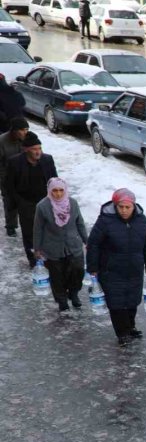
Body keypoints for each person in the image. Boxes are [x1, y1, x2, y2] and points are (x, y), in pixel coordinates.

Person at [86, 188, 146, 345]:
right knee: (116, 304)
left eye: (127, 207)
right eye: (121, 207)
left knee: (132, 302)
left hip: (134, 271)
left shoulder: (141, 221)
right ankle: (122, 333)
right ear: (115, 206)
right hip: (111, 271)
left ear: (133, 206)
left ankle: (130, 327)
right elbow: (94, 245)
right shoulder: (105, 221)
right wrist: (92, 268)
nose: (124, 211)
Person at [33, 178, 88, 312]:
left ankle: (74, 293)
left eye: (61, 190)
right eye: (55, 191)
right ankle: (62, 299)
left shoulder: (73, 203)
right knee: (57, 275)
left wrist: (87, 240)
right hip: (52, 247)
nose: (58, 194)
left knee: (78, 271)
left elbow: (79, 222)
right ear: (50, 191)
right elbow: (38, 228)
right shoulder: (42, 206)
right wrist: (37, 248)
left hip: (73, 245)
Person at [5, 132, 58, 267]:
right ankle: (34, 260)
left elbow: (55, 181)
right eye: (34, 149)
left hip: (45, 201)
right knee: (29, 233)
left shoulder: (47, 160)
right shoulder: (15, 162)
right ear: (26, 149)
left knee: (48, 230)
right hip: (26, 202)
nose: (37, 152)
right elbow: (9, 186)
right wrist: (17, 203)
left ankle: (49, 257)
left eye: (39, 148)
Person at [0, 116, 28, 237]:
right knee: (10, 201)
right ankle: (11, 225)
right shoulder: (2, 141)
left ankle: (28, 224)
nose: (25, 132)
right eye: (22, 130)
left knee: (27, 202)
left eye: (26, 129)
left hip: (24, 175)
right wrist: (4, 180)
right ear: (14, 130)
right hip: (7, 176)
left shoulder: (27, 139)